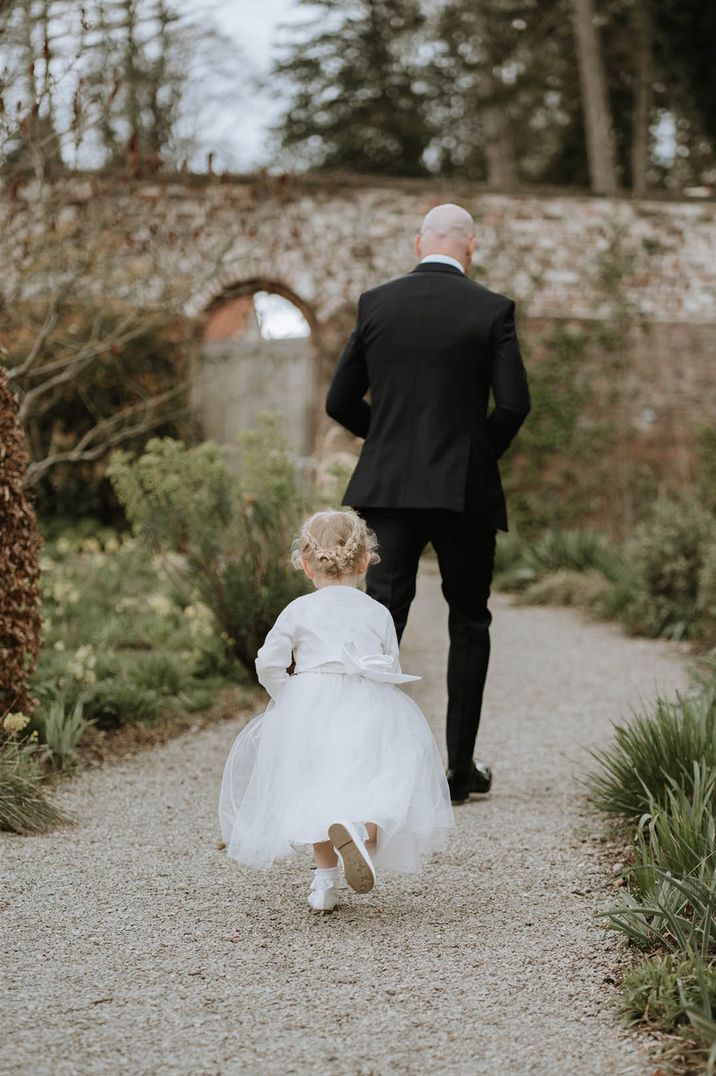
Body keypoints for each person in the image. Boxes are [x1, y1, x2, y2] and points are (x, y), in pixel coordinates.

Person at [325, 203, 531, 804]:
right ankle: (460, 773)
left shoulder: (376, 304)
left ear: (419, 244)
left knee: (381, 619)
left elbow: (340, 402)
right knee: (469, 619)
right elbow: (514, 405)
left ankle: (368, 767)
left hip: (387, 490)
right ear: (472, 246)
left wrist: (390, 442)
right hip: (463, 491)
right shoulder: (492, 310)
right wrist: (472, 455)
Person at [218, 508, 454, 913]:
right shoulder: (377, 611)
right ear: (364, 562)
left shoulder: (297, 610)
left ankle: (324, 883)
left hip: (310, 704)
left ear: (307, 566)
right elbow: (389, 666)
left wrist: (288, 696)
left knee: (316, 788)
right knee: (381, 780)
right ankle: (361, 832)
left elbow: (267, 663)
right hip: (368, 703)